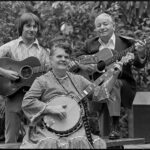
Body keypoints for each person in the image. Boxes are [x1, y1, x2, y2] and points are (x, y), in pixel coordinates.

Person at [20, 42, 126, 149]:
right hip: (48, 129)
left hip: (76, 130)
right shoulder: (42, 81)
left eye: (66, 57)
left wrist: (114, 75)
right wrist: (50, 108)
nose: (63, 59)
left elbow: (100, 94)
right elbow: (27, 102)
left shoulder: (78, 80)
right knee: (49, 143)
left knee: (80, 141)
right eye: (59, 56)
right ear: (51, 59)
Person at [70, 13, 147, 139]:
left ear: (114, 26)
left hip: (122, 84)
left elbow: (139, 64)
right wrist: (85, 66)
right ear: (95, 29)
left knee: (113, 83)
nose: (102, 27)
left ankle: (115, 127)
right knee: (104, 130)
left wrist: (142, 53)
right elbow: (76, 61)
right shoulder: (90, 44)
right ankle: (109, 139)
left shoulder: (127, 43)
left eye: (105, 24)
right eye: (98, 25)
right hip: (97, 84)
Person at [0, 12, 51, 143]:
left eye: (35, 26)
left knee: (38, 137)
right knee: (11, 136)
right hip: (13, 93)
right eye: (28, 26)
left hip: (35, 96)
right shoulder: (9, 46)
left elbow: (49, 74)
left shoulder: (44, 52)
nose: (32, 29)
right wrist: (4, 73)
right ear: (21, 27)